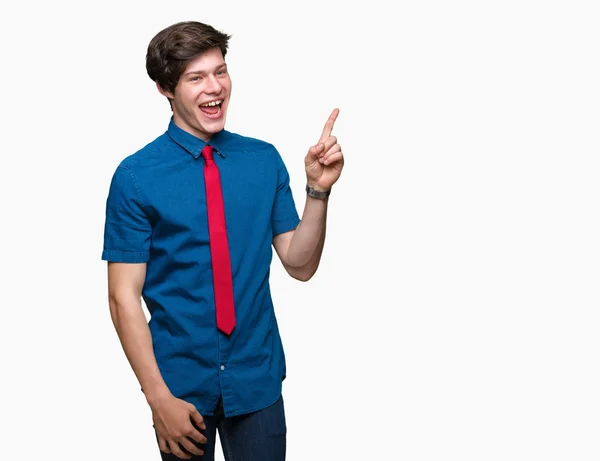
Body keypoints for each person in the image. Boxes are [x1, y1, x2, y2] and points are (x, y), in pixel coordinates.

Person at [102, 20, 344, 461]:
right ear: (165, 88)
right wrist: (158, 399)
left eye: (221, 71)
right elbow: (123, 298)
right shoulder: (136, 177)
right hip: (179, 388)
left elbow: (300, 263)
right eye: (196, 77)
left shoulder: (263, 160)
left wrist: (319, 191)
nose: (215, 87)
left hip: (257, 380)